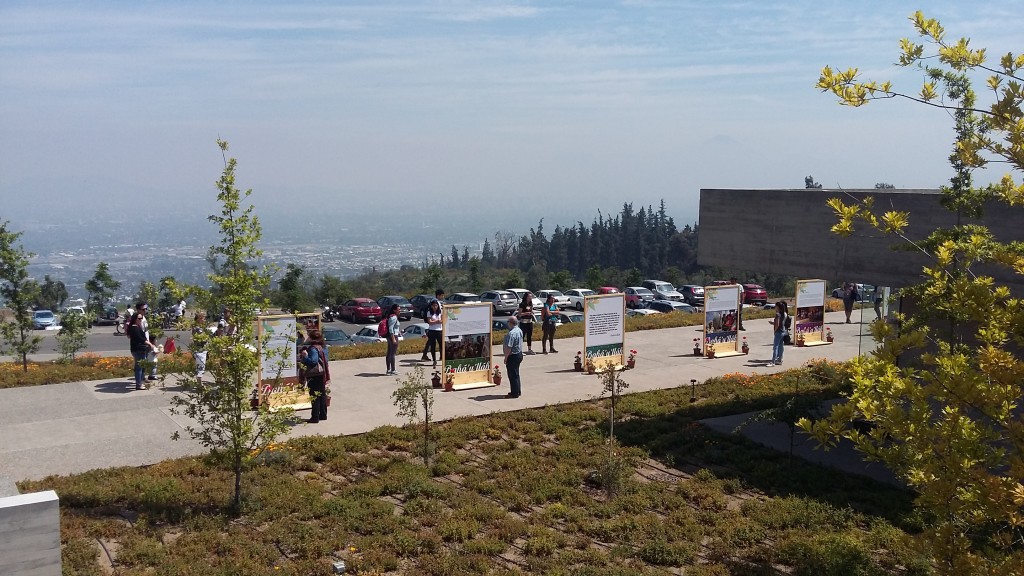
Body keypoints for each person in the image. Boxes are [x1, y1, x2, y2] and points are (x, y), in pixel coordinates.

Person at [299, 329, 330, 423]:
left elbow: (313, 362)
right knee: (322, 395)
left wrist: (305, 356)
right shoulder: (323, 347)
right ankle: (323, 415)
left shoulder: (313, 348)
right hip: (322, 373)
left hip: (314, 375)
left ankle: (315, 417)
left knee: (314, 396)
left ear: (312, 338)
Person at [127, 304, 156, 390]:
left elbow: (143, 335)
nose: (140, 320)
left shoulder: (138, 326)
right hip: (138, 349)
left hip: (143, 348)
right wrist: (149, 344)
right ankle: (139, 384)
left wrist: (150, 342)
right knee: (139, 367)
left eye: (146, 309)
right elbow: (140, 338)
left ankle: (141, 381)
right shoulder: (134, 328)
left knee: (142, 366)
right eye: (138, 319)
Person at [421, 288, 445, 361]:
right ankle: (439, 356)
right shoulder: (436, 302)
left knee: (431, 341)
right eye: (442, 295)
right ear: (438, 295)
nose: (443, 297)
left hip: (434, 327)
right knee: (434, 342)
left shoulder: (432, 300)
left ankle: (425, 355)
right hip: (435, 327)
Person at [503, 315, 524, 398]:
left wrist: (506, 357)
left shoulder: (511, 333)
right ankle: (517, 391)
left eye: (508, 322)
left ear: (511, 323)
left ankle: (514, 393)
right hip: (519, 354)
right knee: (516, 374)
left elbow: (509, 347)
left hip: (513, 356)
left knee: (512, 375)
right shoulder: (519, 330)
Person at [768, 300, 789, 367]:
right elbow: (781, 323)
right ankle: (780, 360)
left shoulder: (777, 314)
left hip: (778, 332)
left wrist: (775, 331)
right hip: (783, 331)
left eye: (775, 306)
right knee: (781, 346)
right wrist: (772, 323)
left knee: (775, 347)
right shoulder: (785, 314)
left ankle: (773, 361)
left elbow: (777, 324)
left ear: (778, 307)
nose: (775, 307)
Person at [424, 299, 443, 368]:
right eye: (433, 306)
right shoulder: (429, 312)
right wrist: (437, 321)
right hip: (432, 330)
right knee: (433, 345)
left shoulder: (440, 312)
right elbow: (430, 322)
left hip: (439, 330)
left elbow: (442, 320)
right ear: (431, 306)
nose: (435, 307)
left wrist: (436, 321)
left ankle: (443, 358)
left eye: (436, 305)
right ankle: (434, 360)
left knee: (441, 345)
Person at [385, 303, 401, 375]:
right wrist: (394, 338)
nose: (400, 310)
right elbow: (391, 328)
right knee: (392, 353)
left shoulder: (391, 316)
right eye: (398, 309)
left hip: (391, 336)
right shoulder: (394, 317)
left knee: (389, 353)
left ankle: (388, 369)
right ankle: (393, 370)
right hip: (393, 336)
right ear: (394, 310)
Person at [192, 312, 208, 378]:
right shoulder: (197, 328)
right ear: (199, 319)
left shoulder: (199, 327)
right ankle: (199, 384)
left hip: (202, 349)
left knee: (201, 366)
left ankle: (199, 383)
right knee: (200, 367)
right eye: (203, 318)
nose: (204, 320)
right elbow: (201, 339)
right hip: (200, 349)